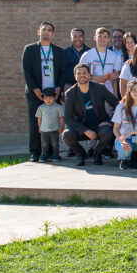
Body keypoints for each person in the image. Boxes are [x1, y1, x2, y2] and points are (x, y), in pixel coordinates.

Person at [22, 21, 70, 162]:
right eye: (43, 29)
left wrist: (59, 88)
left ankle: (51, 152)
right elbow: (26, 71)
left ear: (53, 34)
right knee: (36, 123)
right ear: (39, 32)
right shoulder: (29, 49)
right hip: (35, 93)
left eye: (49, 30)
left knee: (53, 124)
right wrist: (34, 88)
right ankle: (35, 152)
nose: (46, 32)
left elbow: (63, 71)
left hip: (53, 93)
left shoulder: (59, 51)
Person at [62, 63, 117, 166]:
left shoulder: (99, 88)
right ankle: (81, 154)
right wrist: (84, 130)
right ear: (75, 76)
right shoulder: (70, 93)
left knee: (108, 132)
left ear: (89, 74)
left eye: (84, 73)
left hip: (99, 125)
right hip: (81, 127)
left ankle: (98, 153)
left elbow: (117, 105)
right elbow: (68, 119)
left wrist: (109, 121)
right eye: (79, 73)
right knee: (66, 134)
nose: (82, 75)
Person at [79, 27, 123, 97]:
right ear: (95, 38)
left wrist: (115, 95)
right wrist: (96, 78)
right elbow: (80, 74)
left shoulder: (114, 56)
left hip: (109, 94)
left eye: (105, 37)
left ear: (108, 39)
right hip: (92, 93)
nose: (102, 39)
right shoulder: (87, 55)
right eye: (100, 36)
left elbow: (114, 78)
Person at [35, 91, 64, 162]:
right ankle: (44, 155)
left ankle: (55, 155)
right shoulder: (41, 108)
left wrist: (61, 127)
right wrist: (39, 127)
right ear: (43, 99)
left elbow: (61, 118)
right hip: (44, 130)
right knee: (44, 144)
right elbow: (39, 118)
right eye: (46, 98)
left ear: (54, 98)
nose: (48, 100)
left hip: (55, 129)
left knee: (55, 144)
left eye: (50, 98)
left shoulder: (58, 107)